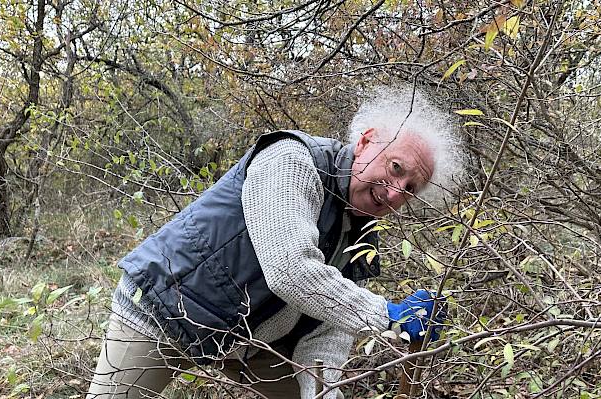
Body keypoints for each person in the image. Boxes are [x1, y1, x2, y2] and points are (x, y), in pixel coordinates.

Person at [86, 86, 463, 399]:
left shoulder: (361, 235)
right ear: (365, 143)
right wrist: (388, 317)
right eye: (396, 168)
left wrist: (324, 394)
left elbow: (326, 336)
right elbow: (289, 270)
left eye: (411, 189)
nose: (397, 192)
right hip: (165, 308)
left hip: (247, 339)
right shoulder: (292, 160)